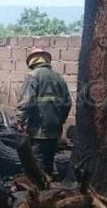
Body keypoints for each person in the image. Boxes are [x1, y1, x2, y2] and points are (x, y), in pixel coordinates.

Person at [15, 47, 72, 179]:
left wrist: (20, 120)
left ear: (32, 62)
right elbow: (67, 103)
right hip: (55, 130)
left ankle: (39, 193)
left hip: (38, 131)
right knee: (49, 163)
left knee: (36, 165)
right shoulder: (59, 78)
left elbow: (26, 101)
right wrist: (60, 120)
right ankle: (48, 190)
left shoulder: (33, 76)